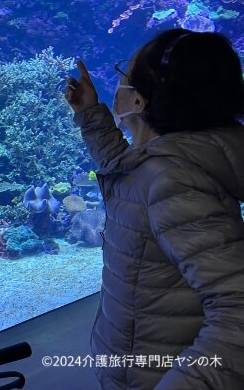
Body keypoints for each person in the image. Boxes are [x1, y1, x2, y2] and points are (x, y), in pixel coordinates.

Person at [64, 28, 244, 390]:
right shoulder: (168, 158)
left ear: (140, 101)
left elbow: (237, 310)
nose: (119, 84)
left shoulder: (173, 180)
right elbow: (128, 171)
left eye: (125, 75)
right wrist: (90, 115)